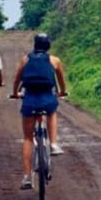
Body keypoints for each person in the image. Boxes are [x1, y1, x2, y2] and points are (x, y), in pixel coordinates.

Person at [10, 33, 69, 188]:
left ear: (35, 45)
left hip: (30, 98)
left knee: (28, 138)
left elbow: (17, 79)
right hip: (47, 97)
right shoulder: (54, 60)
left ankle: (27, 177)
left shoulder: (25, 59)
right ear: (48, 45)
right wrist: (62, 92)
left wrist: (15, 93)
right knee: (51, 112)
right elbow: (61, 80)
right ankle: (53, 144)